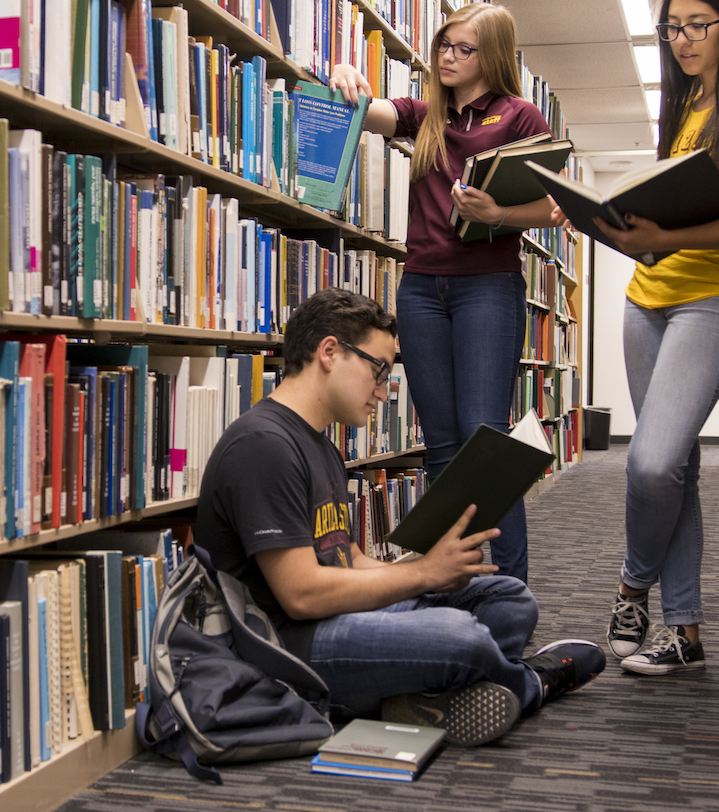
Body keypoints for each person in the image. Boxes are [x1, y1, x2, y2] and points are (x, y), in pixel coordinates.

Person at [193, 288, 605, 746]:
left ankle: (410, 697)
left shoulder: (321, 444)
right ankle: (531, 683)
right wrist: (422, 575)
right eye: (380, 369)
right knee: (459, 637)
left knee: (509, 600)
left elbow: (346, 559)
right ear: (329, 352)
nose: (385, 389)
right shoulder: (263, 444)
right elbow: (302, 595)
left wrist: (426, 573)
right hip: (286, 648)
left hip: (337, 620)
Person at [564, 0, 719, 675]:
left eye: (697, 25)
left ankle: (631, 586)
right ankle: (683, 633)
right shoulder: (686, 102)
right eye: (673, 27)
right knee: (677, 464)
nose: (682, 40)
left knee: (652, 461)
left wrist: (664, 238)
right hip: (647, 299)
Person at [327, 3, 558, 583]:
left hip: (487, 286)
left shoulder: (520, 116)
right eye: (444, 47)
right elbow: (368, 111)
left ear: (493, 55)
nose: (449, 57)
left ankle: (509, 586)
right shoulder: (425, 115)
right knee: (442, 447)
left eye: (464, 49)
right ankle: (455, 581)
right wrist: (345, 75)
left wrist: (500, 212)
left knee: (486, 442)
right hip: (423, 289)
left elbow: (556, 207)